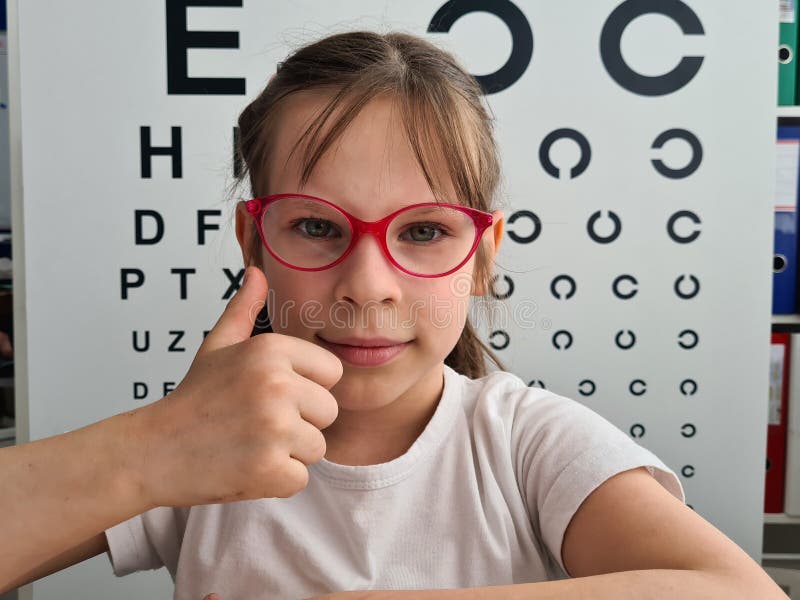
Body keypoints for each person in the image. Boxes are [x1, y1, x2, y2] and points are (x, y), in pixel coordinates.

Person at [0, 30, 787, 600]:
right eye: (316, 225)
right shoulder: (204, 440)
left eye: (423, 231)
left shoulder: (525, 444)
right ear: (255, 240)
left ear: (480, 255)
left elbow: (735, 592)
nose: (368, 285)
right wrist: (157, 447)